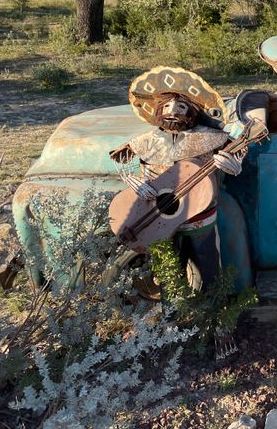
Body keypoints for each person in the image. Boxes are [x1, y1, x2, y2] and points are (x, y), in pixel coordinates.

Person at [110, 66, 245, 356]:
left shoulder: (211, 138)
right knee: (168, 275)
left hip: (200, 219)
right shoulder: (144, 142)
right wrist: (136, 183)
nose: (173, 112)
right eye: (167, 107)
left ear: (192, 111)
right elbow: (122, 163)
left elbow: (236, 162)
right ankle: (172, 331)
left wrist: (230, 165)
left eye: (181, 107)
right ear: (157, 110)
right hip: (156, 221)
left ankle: (219, 328)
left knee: (210, 272)